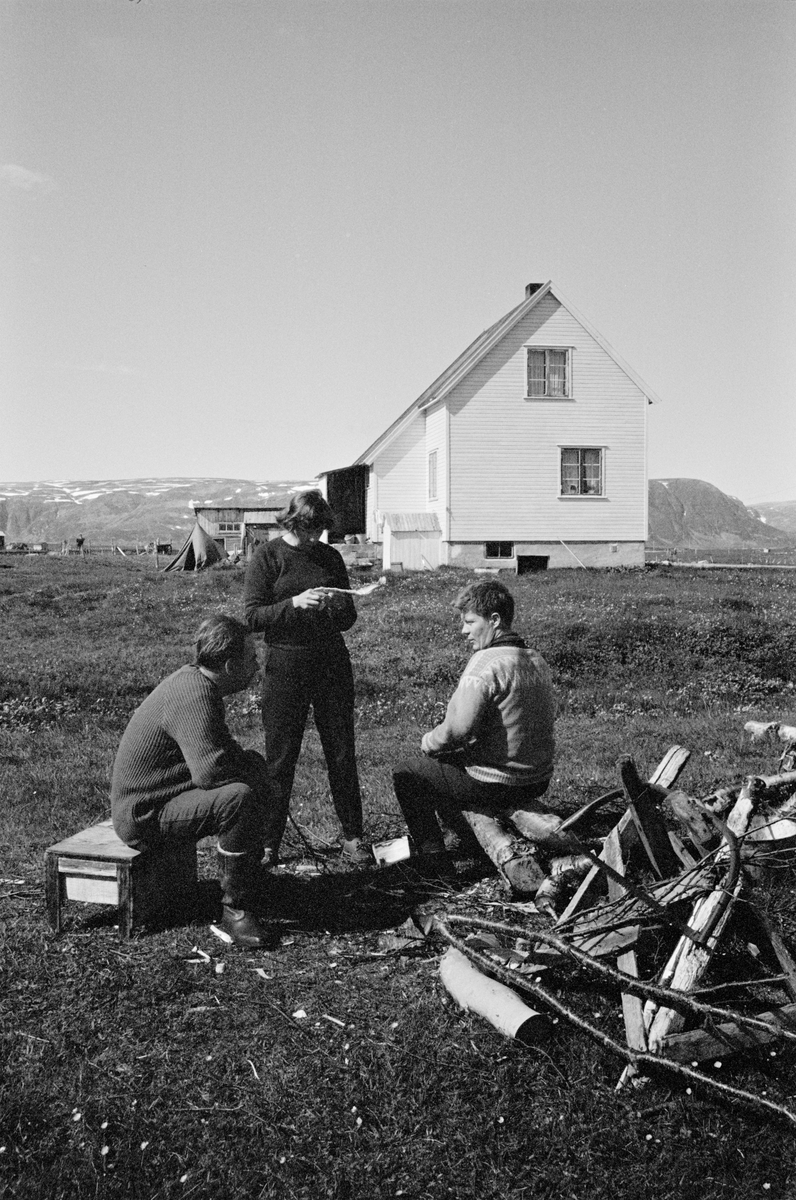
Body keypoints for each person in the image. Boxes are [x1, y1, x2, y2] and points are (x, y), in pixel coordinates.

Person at [111, 614, 273, 948]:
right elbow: (210, 772)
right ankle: (235, 911)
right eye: (251, 660)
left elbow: (217, 751)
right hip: (143, 815)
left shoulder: (198, 683)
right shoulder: (195, 695)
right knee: (238, 797)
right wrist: (252, 770)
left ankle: (248, 884)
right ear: (229, 666)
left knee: (249, 777)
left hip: (160, 799)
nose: (257, 667)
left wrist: (250, 764)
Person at [392, 579, 556, 890]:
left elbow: (457, 729)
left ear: (494, 621)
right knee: (447, 765)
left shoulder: (487, 662)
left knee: (409, 772)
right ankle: (470, 839)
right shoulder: (535, 659)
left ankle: (435, 865)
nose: (464, 631)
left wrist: (429, 742)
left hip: (499, 782)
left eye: (470, 622)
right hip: (538, 779)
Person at [243, 490, 369, 866]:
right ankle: (269, 843)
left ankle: (353, 836)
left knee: (342, 752)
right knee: (281, 758)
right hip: (286, 665)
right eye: (309, 530)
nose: (316, 538)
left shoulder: (329, 556)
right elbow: (252, 617)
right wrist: (294, 604)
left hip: (331, 663)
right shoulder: (268, 556)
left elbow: (349, 619)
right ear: (293, 523)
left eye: (320, 531)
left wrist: (337, 605)